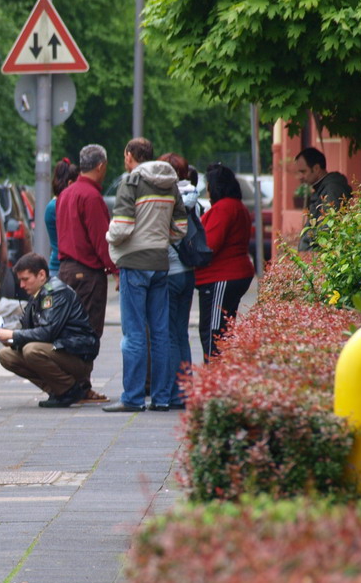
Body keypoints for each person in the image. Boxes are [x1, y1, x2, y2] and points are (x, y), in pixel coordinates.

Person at [103, 137, 187, 413]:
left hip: (134, 263)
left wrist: (109, 237)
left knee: (135, 333)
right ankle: (162, 398)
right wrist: (161, 237)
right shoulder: (170, 183)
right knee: (160, 333)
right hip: (161, 263)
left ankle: (133, 398)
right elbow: (181, 228)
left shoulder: (132, 182)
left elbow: (123, 227)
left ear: (130, 155)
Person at [0, 253, 100, 408]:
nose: (22, 285)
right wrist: (13, 341)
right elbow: (32, 330)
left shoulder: (56, 293)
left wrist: (14, 335)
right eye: (20, 280)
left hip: (77, 356)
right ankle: (58, 391)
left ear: (42, 275)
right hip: (59, 350)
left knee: (32, 350)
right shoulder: (37, 294)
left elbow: (47, 332)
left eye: (26, 279)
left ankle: (70, 390)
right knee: (7, 355)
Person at [55, 144, 115, 403]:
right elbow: (102, 240)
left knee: (69, 329)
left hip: (66, 269)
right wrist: (116, 270)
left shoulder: (67, 193)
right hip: (87, 272)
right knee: (88, 331)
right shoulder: (91, 197)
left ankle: (71, 384)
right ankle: (82, 386)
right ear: (100, 166)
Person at [195, 163, 255, 361]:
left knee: (214, 331)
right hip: (235, 273)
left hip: (221, 276)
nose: (207, 192)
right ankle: (220, 374)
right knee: (223, 329)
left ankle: (214, 376)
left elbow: (210, 245)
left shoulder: (224, 208)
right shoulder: (237, 206)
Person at [158, 152, 199, 409]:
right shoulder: (194, 195)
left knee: (170, 335)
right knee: (182, 334)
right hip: (188, 272)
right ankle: (187, 390)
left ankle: (175, 393)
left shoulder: (169, 197)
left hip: (170, 271)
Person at [296, 146, 352, 251]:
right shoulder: (323, 188)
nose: (300, 176)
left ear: (316, 168)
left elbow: (328, 229)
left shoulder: (332, 190)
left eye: (303, 171)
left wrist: (310, 253)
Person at [45, 157, 79, 276]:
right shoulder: (57, 206)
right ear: (70, 183)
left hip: (58, 267)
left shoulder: (52, 205)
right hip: (61, 268)